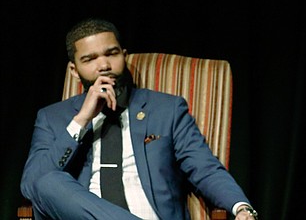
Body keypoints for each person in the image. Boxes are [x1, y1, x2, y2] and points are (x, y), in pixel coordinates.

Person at [21, 18, 259, 220]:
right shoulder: (53, 117)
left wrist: (241, 207)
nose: (103, 65)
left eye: (111, 54)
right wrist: (82, 119)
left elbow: (204, 168)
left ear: (124, 56)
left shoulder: (166, 109)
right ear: (74, 70)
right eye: (90, 59)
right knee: (48, 181)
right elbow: (33, 185)